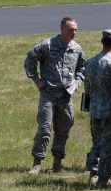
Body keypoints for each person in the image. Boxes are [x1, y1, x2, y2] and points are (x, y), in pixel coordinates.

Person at [24, 17, 87, 175]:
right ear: (62, 29)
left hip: (66, 96)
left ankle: (57, 163)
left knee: (63, 129)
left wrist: (78, 81)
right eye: (71, 29)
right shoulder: (48, 45)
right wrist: (36, 79)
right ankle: (37, 163)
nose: (74, 32)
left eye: (75, 30)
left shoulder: (76, 49)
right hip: (49, 94)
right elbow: (30, 59)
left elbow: (83, 67)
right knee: (45, 128)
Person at [85, 30, 111, 190]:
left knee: (96, 143)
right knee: (109, 146)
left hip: (95, 111)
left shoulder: (90, 62)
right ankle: (104, 179)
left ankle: (93, 175)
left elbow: (87, 89)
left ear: (102, 42)